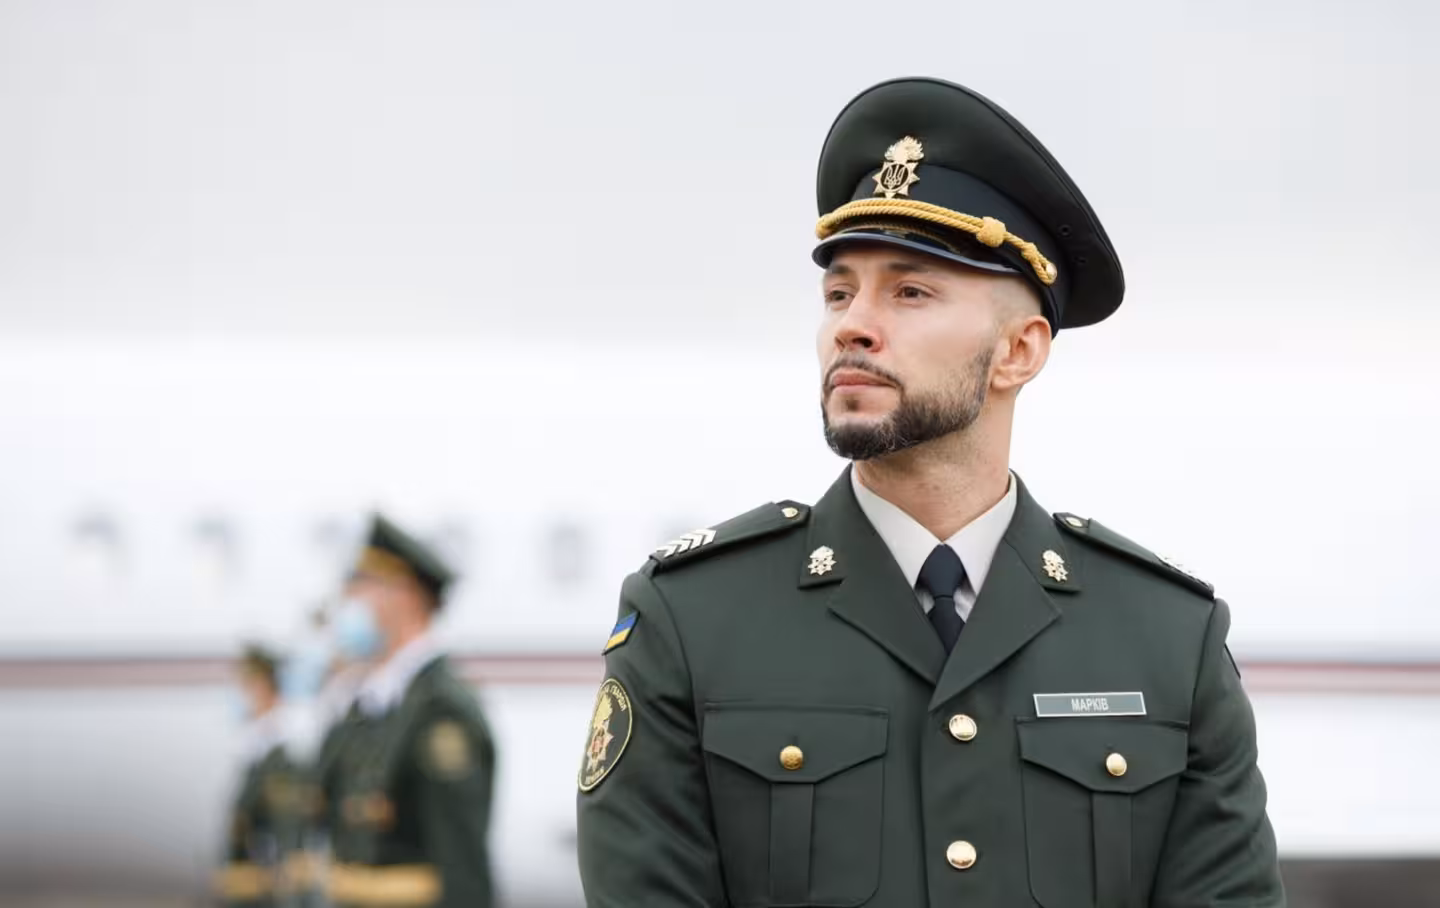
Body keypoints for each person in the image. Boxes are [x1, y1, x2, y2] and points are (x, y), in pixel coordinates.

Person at [575, 76, 1285, 907]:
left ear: (1018, 352)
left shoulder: (1167, 638)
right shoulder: (691, 621)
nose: (852, 324)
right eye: (839, 292)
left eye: (910, 292)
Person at [322, 513, 497, 908]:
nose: (348, 603)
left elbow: (462, 871)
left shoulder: (442, 711)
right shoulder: (372, 706)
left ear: (403, 594)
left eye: (360, 587)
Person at [215, 644, 310, 908]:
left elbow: (289, 819)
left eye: (246, 685)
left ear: (262, 685)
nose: (243, 694)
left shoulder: (289, 735)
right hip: (252, 869)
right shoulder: (253, 737)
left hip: (276, 869)